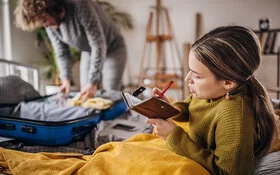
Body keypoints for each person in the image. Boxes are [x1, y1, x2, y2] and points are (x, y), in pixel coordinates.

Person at [147, 26, 279, 174]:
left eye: (197, 76)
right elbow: (192, 105)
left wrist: (173, 136)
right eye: (190, 70)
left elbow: (228, 171)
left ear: (228, 83)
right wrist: (170, 109)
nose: (187, 79)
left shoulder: (235, 116)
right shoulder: (210, 92)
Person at [14, 0, 127, 100]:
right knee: (85, 92)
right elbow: (61, 51)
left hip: (113, 48)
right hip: (88, 51)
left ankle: (113, 122)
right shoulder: (49, 25)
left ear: (51, 7)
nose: (46, 26)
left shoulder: (80, 5)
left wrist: (93, 81)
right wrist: (66, 79)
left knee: (110, 92)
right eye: (42, 23)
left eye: (44, 20)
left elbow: (98, 43)